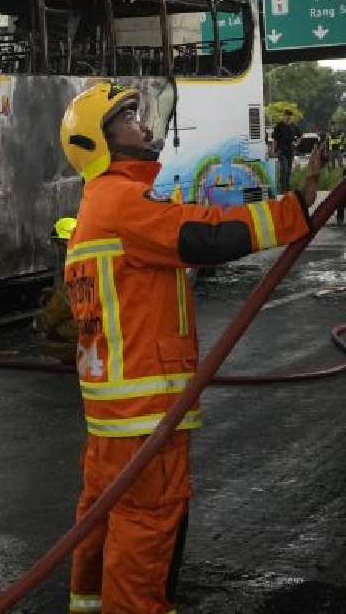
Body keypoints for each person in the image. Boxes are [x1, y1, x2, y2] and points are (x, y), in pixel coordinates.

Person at [60, 83, 319, 614]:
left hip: (115, 415)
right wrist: (294, 209)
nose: (143, 126)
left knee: (102, 517)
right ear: (99, 143)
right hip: (144, 412)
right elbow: (205, 236)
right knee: (148, 524)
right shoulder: (121, 202)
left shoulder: (99, 206)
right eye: (127, 119)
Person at [32, 217, 78, 365]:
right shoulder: (86, 260)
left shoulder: (76, 266)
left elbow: (65, 300)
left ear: (65, 243)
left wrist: (40, 323)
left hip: (89, 330)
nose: (58, 251)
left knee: (59, 329)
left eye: (58, 245)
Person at [270, 109, 301, 192]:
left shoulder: (294, 126)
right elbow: (275, 140)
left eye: (289, 116)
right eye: (286, 115)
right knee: (284, 169)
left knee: (289, 171)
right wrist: (273, 151)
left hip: (290, 152)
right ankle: (283, 188)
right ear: (284, 116)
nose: (288, 117)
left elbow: (299, 137)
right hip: (281, 151)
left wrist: (296, 144)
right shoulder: (279, 126)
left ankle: (287, 188)